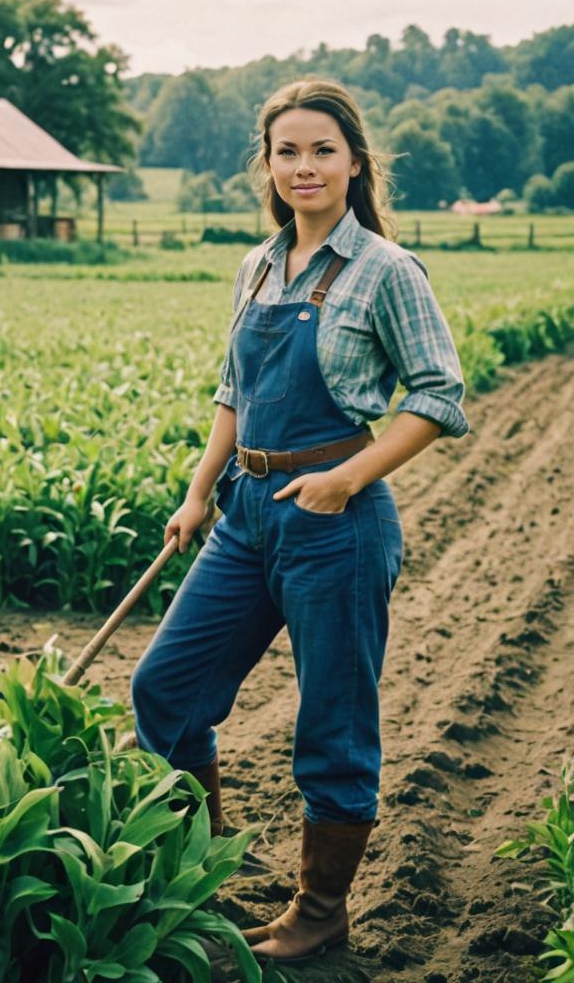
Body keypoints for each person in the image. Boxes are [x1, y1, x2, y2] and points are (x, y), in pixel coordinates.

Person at [130, 77, 469, 965]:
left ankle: (320, 911)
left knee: (332, 725)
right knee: (164, 691)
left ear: (355, 163)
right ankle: (194, 870)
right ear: (268, 165)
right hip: (245, 514)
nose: (304, 166)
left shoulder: (386, 270)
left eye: (323, 149)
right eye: (288, 151)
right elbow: (234, 392)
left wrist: (347, 478)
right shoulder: (257, 264)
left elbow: (438, 394)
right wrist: (200, 490)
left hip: (337, 522)